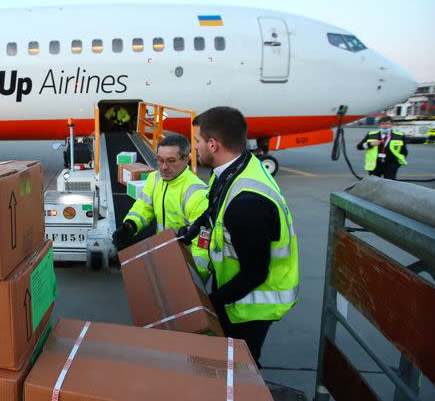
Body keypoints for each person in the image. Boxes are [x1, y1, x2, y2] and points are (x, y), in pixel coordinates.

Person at [179, 106, 298, 366]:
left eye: (197, 141)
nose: (194, 148)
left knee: (241, 367)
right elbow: (213, 206)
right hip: (234, 289)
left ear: (213, 145)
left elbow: (255, 274)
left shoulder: (247, 205)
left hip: (252, 304)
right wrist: (191, 232)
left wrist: (211, 304)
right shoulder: (233, 170)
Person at [111, 133, 211, 279]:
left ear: (186, 160)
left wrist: (194, 277)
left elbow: (202, 245)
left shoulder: (196, 193)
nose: (164, 167)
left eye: (171, 161)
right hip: (164, 252)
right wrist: (130, 225)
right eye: (160, 160)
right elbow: (144, 206)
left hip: (186, 263)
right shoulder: (155, 178)